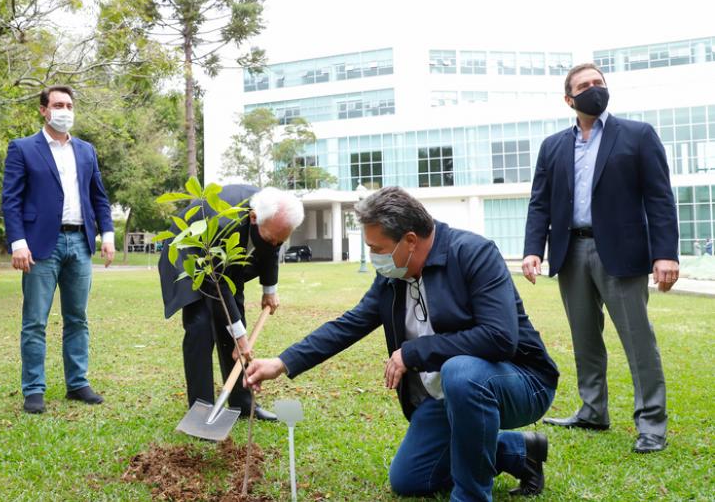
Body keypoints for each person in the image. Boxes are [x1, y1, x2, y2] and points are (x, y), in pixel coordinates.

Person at [246, 187, 559, 501]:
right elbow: (350, 324)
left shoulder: (473, 253)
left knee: (460, 372)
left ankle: (471, 496)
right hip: (447, 396)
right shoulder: (393, 275)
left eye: (377, 248)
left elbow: (499, 337)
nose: (374, 258)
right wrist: (282, 362)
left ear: (410, 240)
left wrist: (413, 352)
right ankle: (519, 452)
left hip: (519, 381)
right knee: (410, 479)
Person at [522, 63, 679, 454]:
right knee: (585, 338)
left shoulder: (638, 135)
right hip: (570, 251)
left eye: (599, 83)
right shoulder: (553, 146)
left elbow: (659, 197)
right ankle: (593, 410)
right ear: (569, 99)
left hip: (622, 252)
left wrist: (665, 254)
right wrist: (532, 249)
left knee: (638, 340)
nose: (594, 89)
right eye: (584, 85)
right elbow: (540, 202)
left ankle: (651, 424)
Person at [2, 85, 115, 414]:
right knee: (35, 321)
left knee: (77, 318)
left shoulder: (86, 150)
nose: (64, 111)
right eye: (57, 105)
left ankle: (77, 383)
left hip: (80, 242)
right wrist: (18, 242)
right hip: (39, 246)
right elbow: (11, 200)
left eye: (68, 105)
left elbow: (99, 197)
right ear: (43, 110)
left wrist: (108, 234)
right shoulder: (23, 148)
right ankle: (34, 389)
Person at [159, 185, 304, 422]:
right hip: (188, 251)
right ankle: (201, 410)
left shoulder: (272, 211)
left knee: (235, 319)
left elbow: (270, 248)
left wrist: (270, 289)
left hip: (223, 259)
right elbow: (217, 287)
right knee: (200, 325)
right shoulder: (227, 222)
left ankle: (242, 404)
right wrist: (240, 337)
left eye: (281, 241)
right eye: (270, 239)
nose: (275, 246)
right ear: (253, 218)